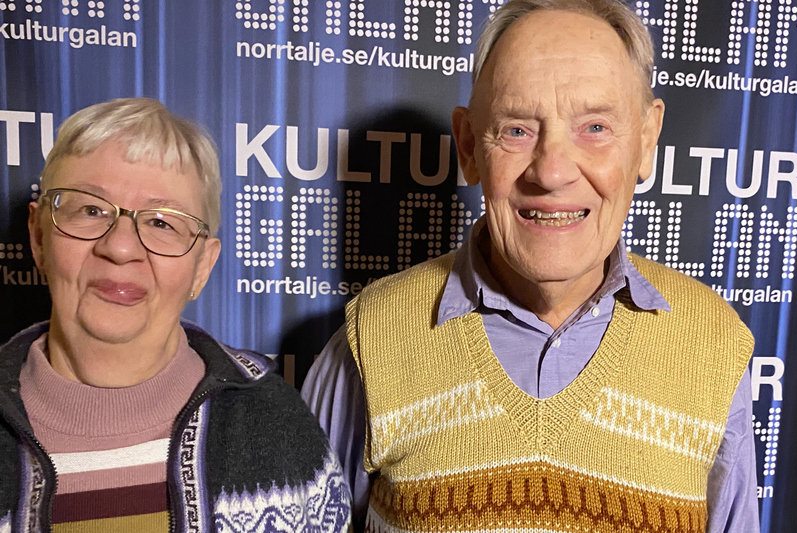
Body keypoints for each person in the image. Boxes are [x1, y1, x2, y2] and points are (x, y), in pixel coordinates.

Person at [302, 0, 758, 532]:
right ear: (469, 146)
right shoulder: (372, 339)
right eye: (517, 130)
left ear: (646, 140)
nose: (552, 172)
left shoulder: (714, 347)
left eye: (595, 127)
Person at [0, 98, 351, 532]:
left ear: (202, 266)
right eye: (91, 210)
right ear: (38, 237)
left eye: (161, 222)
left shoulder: (277, 424)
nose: (120, 247)